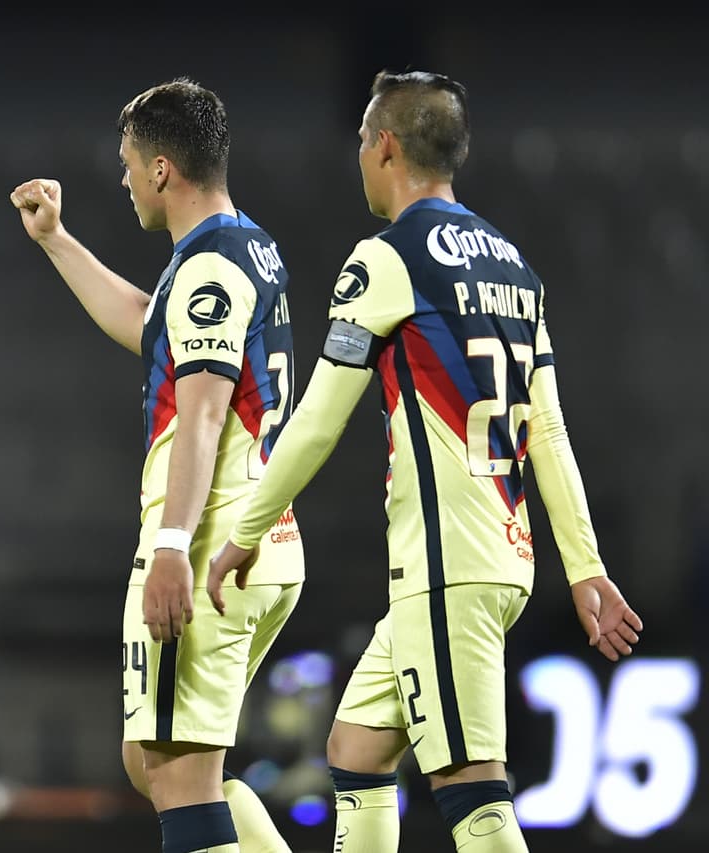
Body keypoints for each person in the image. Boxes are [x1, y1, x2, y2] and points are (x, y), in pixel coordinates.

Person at [206, 70, 644, 853]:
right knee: (357, 747)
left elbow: (315, 421)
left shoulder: (386, 259)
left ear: (384, 147)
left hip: (448, 567)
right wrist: (584, 565)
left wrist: (247, 527)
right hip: (499, 557)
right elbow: (548, 430)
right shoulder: (516, 269)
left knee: (471, 790)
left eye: (362, 146)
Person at [11, 77, 304, 853]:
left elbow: (204, 412)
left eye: (129, 163)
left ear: (163, 169)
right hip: (263, 543)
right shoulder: (241, 245)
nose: (125, 177)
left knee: (178, 777)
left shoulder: (208, 269)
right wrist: (55, 238)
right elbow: (148, 323)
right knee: (151, 759)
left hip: (206, 545)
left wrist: (172, 547)